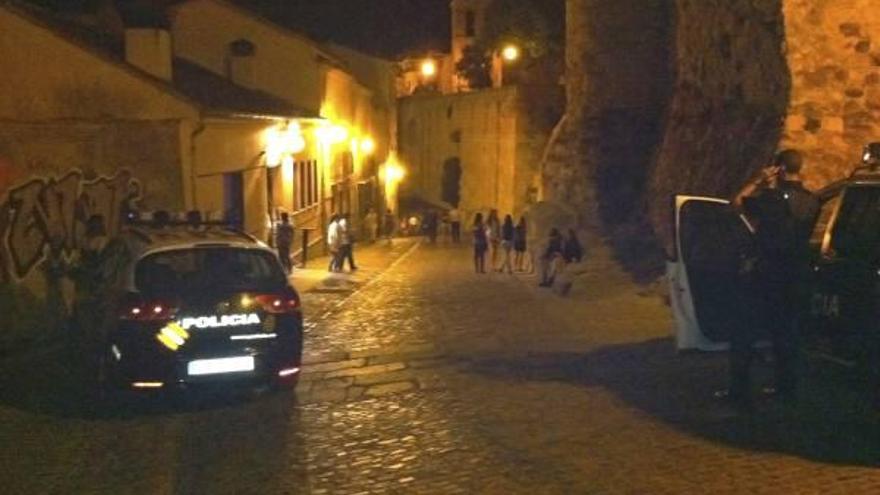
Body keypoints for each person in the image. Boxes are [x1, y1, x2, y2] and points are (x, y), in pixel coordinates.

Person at [722, 149, 819, 409]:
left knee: (744, 333)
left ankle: (739, 392)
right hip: (794, 275)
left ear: (778, 169)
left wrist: (759, 180)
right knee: (785, 335)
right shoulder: (812, 201)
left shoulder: (769, 199)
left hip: (764, 275)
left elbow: (736, 202)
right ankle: (786, 389)